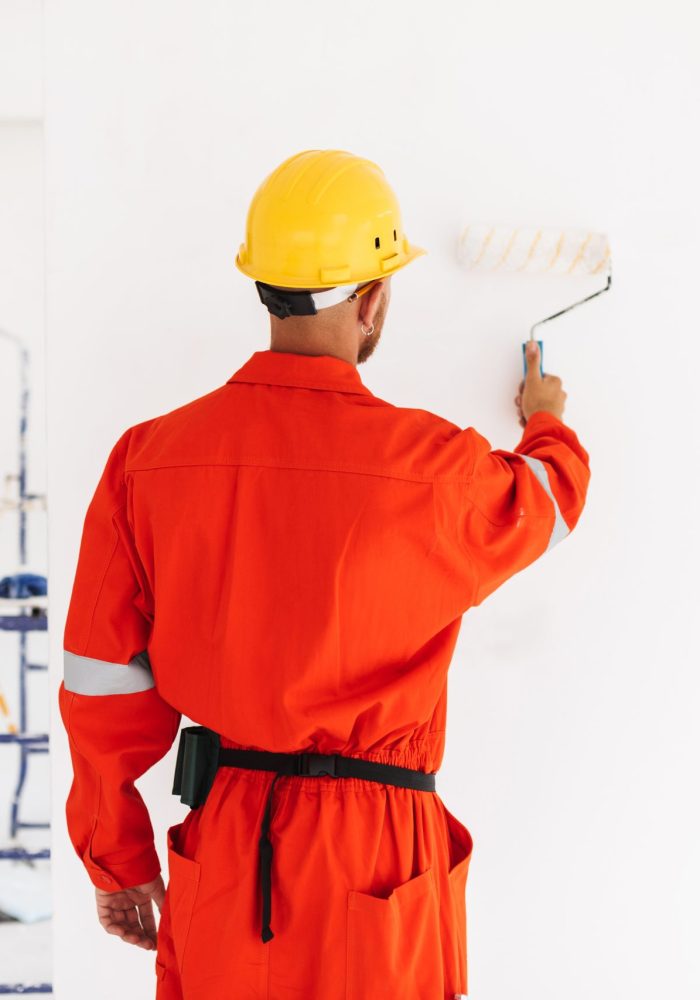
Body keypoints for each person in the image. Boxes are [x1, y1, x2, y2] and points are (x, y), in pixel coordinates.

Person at [58, 149, 590, 999]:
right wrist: (547, 423)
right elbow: (550, 501)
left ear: (263, 287)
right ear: (373, 298)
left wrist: (116, 858)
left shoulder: (147, 463)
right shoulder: (432, 470)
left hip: (227, 846)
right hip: (381, 863)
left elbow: (102, 684)